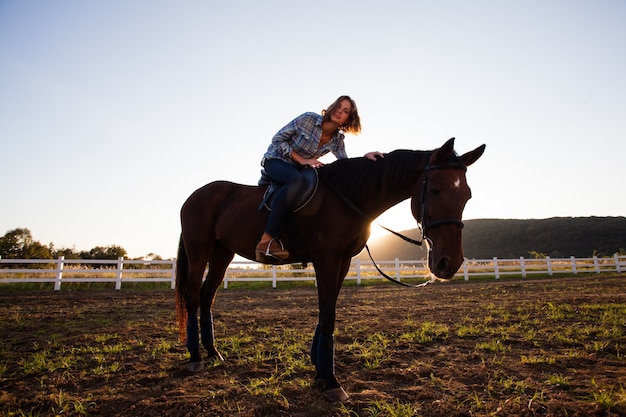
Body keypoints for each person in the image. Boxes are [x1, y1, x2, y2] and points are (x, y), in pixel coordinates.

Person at [256, 95, 384, 262]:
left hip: (296, 170)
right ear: (332, 107)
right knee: (296, 180)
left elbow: (344, 164)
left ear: (348, 118)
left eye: (345, 111)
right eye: (339, 106)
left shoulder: (337, 140)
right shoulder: (308, 119)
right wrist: (302, 160)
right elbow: (278, 139)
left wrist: (365, 158)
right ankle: (266, 241)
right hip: (276, 160)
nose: (340, 111)